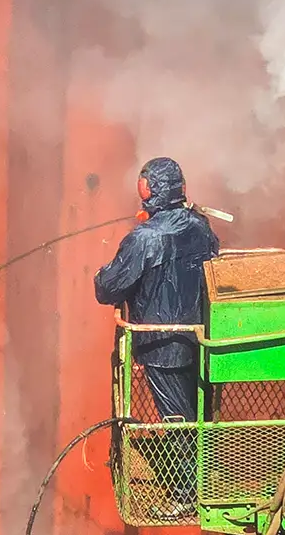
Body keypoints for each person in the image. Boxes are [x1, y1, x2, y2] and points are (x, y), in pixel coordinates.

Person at [94, 157, 221, 420]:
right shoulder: (200, 226)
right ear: (181, 188)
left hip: (160, 347)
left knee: (178, 423)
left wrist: (100, 276)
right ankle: (199, 459)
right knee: (200, 419)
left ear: (149, 190)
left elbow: (108, 288)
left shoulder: (144, 238)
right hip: (200, 340)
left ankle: (185, 462)